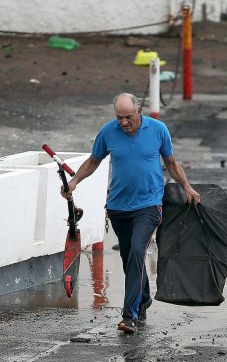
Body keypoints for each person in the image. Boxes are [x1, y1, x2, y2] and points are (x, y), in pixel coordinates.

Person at [61, 93, 200, 333]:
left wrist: (186, 187)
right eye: (119, 117)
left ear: (139, 113)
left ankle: (129, 315)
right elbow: (94, 161)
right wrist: (73, 183)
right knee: (129, 259)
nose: (123, 122)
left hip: (149, 206)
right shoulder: (108, 132)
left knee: (137, 251)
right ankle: (143, 300)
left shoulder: (158, 129)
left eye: (128, 117)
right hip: (118, 207)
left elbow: (171, 162)